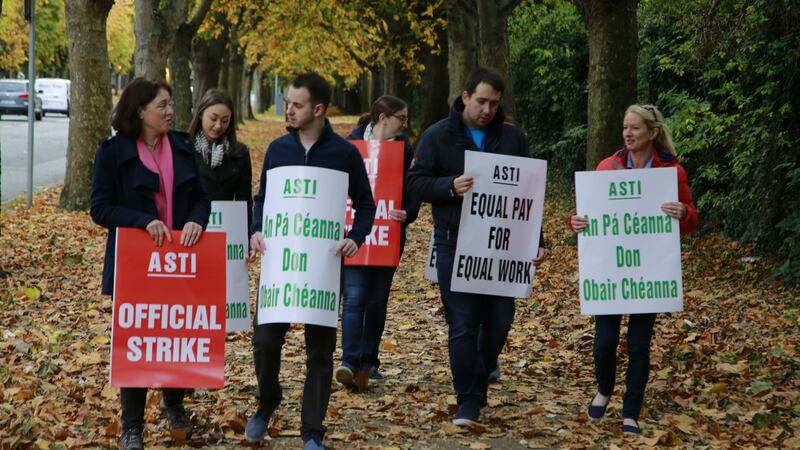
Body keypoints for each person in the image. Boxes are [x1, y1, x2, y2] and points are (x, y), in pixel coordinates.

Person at [406, 67, 546, 426]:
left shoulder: (513, 139)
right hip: (455, 244)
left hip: (504, 250)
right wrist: (450, 187)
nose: (487, 109)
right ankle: (467, 399)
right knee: (464, 324)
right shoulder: (438, 136)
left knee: (499, 322)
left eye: (494, 104)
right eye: (481, 101)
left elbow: (527, 195)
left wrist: (537, 239)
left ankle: (478, 382)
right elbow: (415, 183)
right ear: (465, 96)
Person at [245, 72, 376, 450]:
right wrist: (256, 229)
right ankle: (268, 398)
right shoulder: (277, 150)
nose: (289, 109)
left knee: (319, 350)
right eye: (288, 102)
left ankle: (312, 432)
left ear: (318, 109)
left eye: (297, 104)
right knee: (266, 340)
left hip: (321, 266)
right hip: (280, 265)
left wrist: (355, 237)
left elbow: (365, 205)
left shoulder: (344, 154)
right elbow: (262, 199)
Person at [90, 78, 210, 450]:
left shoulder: (184, 147)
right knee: (137, 340)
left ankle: (174, 405)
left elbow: (202, 199)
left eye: (170, 104)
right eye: (162, 105)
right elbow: (100, 208)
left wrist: (196, 220)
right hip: (136, 262)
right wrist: (142, 221)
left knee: (177, 335)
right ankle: (132, 427)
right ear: (140, 111)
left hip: (182, 259)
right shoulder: (112, 152)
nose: (170, 111)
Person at [568, 104, 698, 435]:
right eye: (625, 127)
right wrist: (576, 222)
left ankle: (631, 411)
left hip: (649, 272)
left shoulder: (672, 173)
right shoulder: (606, 168)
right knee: (604, 342)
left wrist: (683, 213)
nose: (627, 133)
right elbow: (584, 215)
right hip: (610, 272)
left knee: (639, 343)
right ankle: (605, 388)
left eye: (635, 128)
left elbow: (691, 220)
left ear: (653, 133)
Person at [335, 95, 421, 391]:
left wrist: (408, 212)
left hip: (388, 233)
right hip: (356, 234)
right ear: (382, 118)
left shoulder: (405, 149)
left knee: (377, 299)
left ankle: (369, 362)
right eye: (402, 118)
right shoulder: (349, 146)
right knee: (355, 295)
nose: (406, 125)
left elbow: (413, 189)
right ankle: (349, 360)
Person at [189, 88, 253, 226]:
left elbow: (245, 201)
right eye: (213, 118)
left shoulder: (240, 153)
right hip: (191, 231)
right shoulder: (185, 149)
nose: (218, 126)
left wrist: (246, 237)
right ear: (201, 114)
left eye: (225, 120)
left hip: (226, 230)